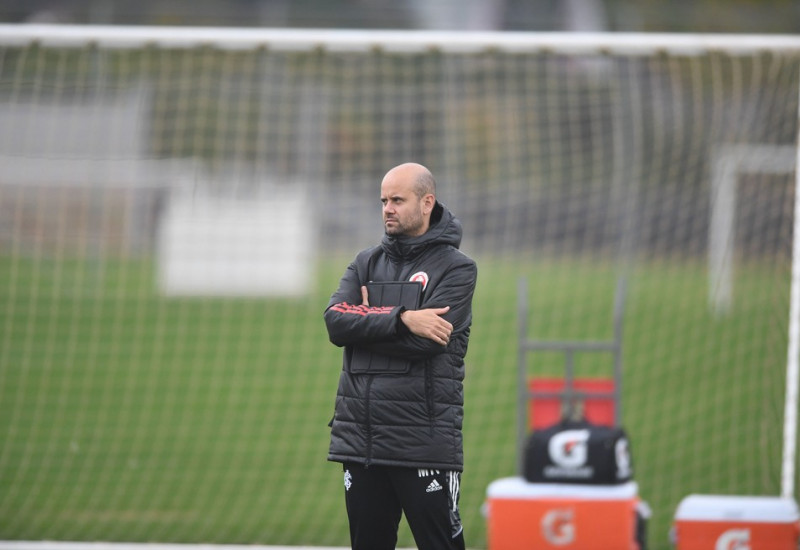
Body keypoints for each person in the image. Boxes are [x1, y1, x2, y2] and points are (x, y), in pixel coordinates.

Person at [324, 162, 478, 550]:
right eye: (383, 200)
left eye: (397, 200)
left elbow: (427, 343)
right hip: (363, 441)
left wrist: (366, 322)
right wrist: (405, 317)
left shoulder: (457, 269)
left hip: (423, 440)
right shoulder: (365, 263)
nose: (387, 208)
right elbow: (335, 324)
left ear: (427, 203)